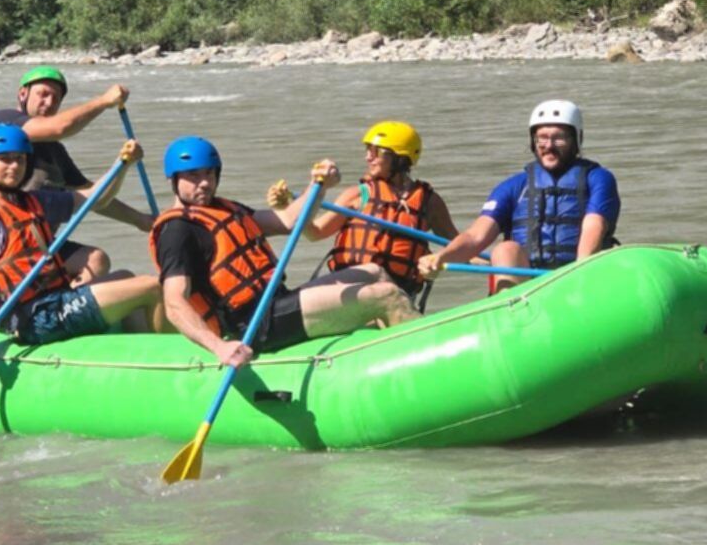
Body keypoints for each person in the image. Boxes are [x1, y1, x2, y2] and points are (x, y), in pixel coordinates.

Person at [149, 136, 420, 368]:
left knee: (374, 272)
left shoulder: (223, 208)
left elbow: (289, 220)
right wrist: (219, 347)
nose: (205, 183)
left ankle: (390, 349)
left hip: (276, 302)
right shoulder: (177, 231)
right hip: (252, 326)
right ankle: (421, 358)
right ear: (174, 180)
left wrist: (319, 186)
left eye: (209, 174)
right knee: (386, 296)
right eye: (194, 176)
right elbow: (174, 303)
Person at [0, 124, 164, 355]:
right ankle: (169, 355)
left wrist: (122, 163)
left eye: (20, 159)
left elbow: (95, 199)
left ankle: (142, 351)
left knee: (126, 277)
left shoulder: (34, 201)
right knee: (151, 286)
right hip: (32, 320)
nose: (13, 167)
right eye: (5, 159)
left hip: (55, 300)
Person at [0, 66, 152, 285]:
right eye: (43, 94)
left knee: (97, 261)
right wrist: (104, 101)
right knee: (97, 262)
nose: (49, 102)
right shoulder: (3, 122)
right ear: (23, 94)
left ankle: (66, 307)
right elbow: (60, 128)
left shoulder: (55, 152)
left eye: (56, 98)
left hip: (29, 238)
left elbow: (94, 198)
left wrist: (141, 220)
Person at [419, 100, 620, 293]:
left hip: (576, 278)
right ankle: (511, 311)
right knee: (505, 249)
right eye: (541, 137)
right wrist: (441, 258)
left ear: (576, 140)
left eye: (559, 137)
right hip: (527, 287)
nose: (548, 145)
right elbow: (475, 237)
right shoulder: (514, 186)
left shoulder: (598, 179)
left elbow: (594, 226)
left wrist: (578, 275)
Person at [269, 121, 458, 304]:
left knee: (391, 299)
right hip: (352, 292)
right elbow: (314, 232)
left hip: (400, 294)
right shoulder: (358, 195)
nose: (368, 157)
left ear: (400, 158)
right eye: (368, 150)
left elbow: (460, 245)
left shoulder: (429, 202)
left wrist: (441, 260)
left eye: (376, 152)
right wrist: (286, 209)